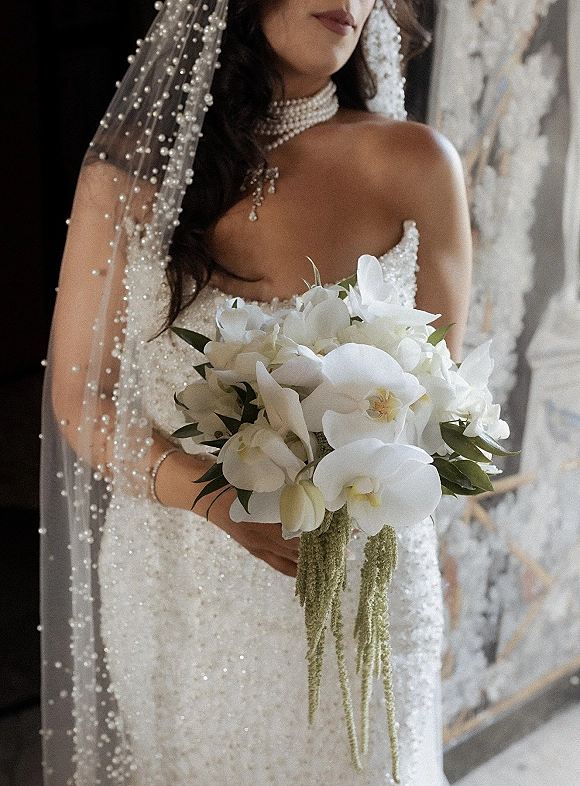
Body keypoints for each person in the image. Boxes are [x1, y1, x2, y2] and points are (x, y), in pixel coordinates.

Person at [40, 0, 472, 783]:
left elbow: (434, 403)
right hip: (183, 581)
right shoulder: (130, 175)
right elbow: (83, 397)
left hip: (355, 580)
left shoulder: (417, 164)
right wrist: (218, 504)